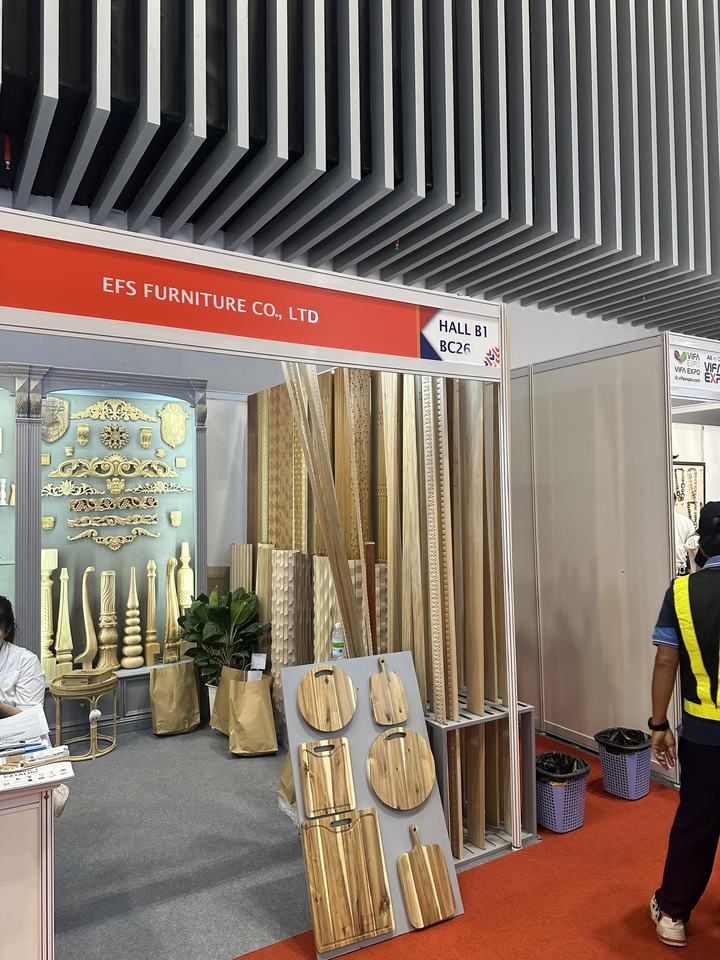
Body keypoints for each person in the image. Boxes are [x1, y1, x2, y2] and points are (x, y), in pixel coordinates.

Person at [649, 501, 720, 948]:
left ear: (701, 546)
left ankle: (673, 913)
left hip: (704, 735)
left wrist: (658, 724)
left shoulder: (681, 591)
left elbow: (665, 660)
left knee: (697, 821)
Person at [0, 595, 45, 716]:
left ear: (7, 630)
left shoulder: (26, 662)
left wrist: (1, 707)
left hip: (12, 728)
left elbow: (30, 717)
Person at [674, 495, 698, 576]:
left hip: (679, 567)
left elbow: (692, 546)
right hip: (680, 568)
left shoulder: (686, 522)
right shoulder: (686, 521)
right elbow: (692, 547)